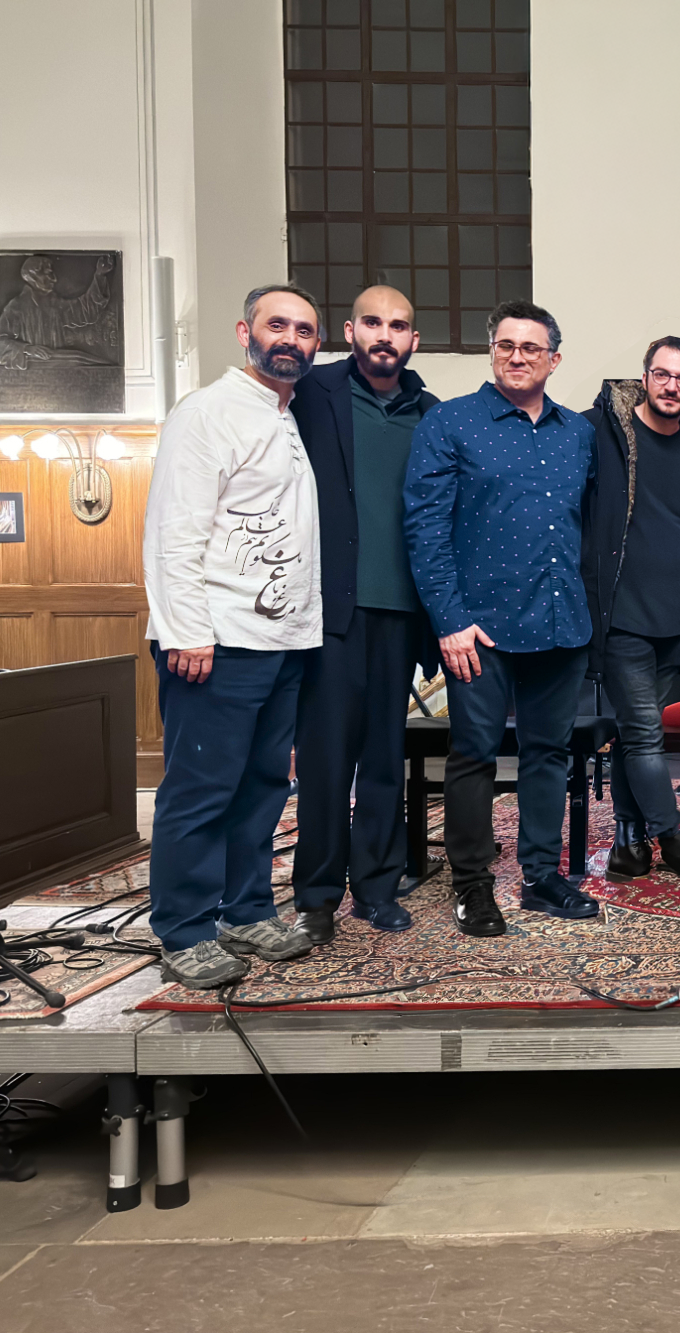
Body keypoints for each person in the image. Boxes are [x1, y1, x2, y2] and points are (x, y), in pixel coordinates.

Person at [141, 284, 325, 988]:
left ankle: (245, 910)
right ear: (244, 331)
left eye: (303, 330)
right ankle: (184, 928)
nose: (290, 339)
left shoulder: (286, 415)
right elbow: (173, 532)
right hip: (216, 640)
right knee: (201, 789)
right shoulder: (206, 414)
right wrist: (187, 630)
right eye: (277, 325)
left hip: (281, 640)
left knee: (261, 787)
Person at [405, 299, 599, 936]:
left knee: (548, 754)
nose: (518, 356)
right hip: (477, 629)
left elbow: (589, 527)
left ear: (554, 359)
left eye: (532, 348)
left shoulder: (578, 433)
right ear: (492, 352)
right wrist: (449, 620)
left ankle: (543, 878)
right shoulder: (451, 423)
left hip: (558, 621)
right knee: (474, 756)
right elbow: (425, 527)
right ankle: (473, 886)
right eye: (506, 345)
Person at [289, 284, 440, 943]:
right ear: (348, 331)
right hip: (328, 612)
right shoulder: (309, 397)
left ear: (414, 340)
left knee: (384, 760)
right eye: (372, 323)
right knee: (325, 761)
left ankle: (376, 889)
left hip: (401, 612)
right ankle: (317, 896)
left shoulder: (431, 413)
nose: (385, 335)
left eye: (398, 325)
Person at [581, 337, 680, 891]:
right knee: (647, 735)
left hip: (678, 615)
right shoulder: (600, 431)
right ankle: (674, 840)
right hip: (622, 614)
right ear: (644, 376)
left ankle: (628, 845)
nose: (673, 386)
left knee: (632, 736)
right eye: (663, 374)